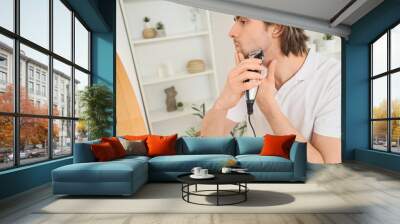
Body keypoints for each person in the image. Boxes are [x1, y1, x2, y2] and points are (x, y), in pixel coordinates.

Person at [200, 16, 341, 164]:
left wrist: (268, 106)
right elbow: (207, 145)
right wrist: (223, 103)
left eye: (243, 21)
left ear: (277, 27)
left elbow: (326, 169)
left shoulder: (334, 79)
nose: (232, 32)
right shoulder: (250, 72)